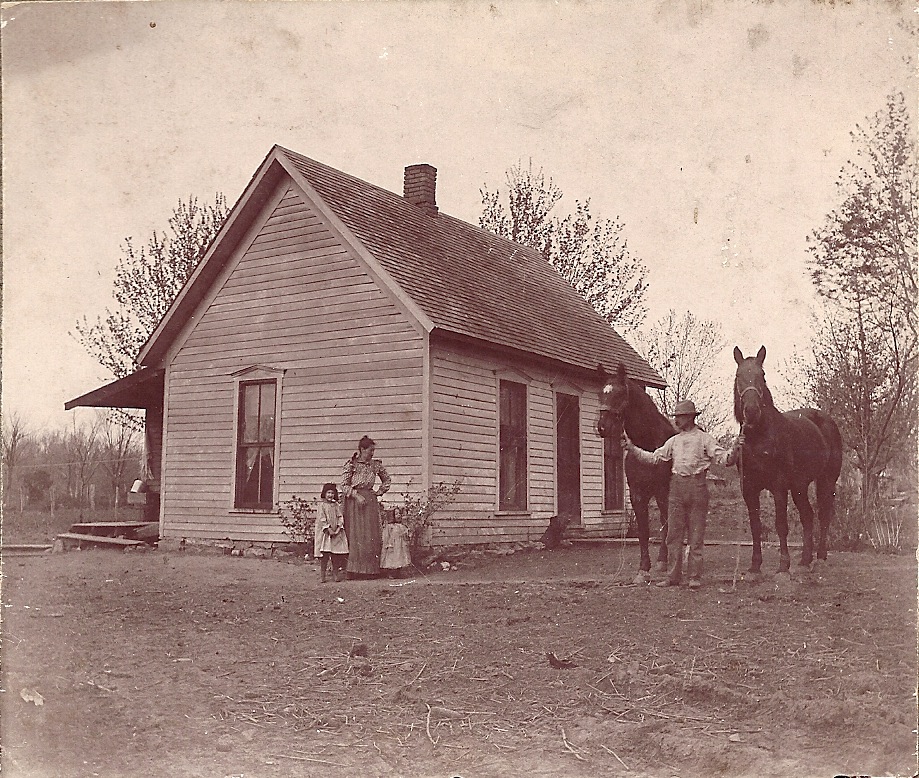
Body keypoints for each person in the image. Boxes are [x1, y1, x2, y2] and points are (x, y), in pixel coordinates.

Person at [622, 400, 743, 590]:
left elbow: (724, 459)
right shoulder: (674, 441)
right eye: (676, 416)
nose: (676, 420)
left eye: (680, 417)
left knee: (696, 534)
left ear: (690, 418)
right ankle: (673, 576)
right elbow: (654, 458)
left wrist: (736, 448)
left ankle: (694, 576)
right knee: (673, 535)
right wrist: (632, 449)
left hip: (697, 486)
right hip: (677, 488)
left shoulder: (705, 439)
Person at [340, 436, 391, 577]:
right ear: (362, 449)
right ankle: (353, 570)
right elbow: (343, 485)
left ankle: (371, 570)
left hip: (370, 501)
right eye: (370, 450)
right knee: (355, 535)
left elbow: (387, 479)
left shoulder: (376, 465)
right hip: (354, 503)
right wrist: (356, 495)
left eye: (373, 450)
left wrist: (379, 492)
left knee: (370, 535)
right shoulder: (351, 464)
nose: (372, 453)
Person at [315, 482, 348, 583]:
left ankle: (335, 573)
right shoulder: (322, 505)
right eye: (328, 493)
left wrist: (338, 528)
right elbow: (322, 518)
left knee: (335, 554)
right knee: (325, 554)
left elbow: (340, 516)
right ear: (324, 493)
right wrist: (328, 529)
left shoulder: (335, 505)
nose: (330, 495)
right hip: (326, 533)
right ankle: (323, 575)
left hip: (336, 532)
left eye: (332, 493)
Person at [380, 512, 411, 578]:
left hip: (400, 545)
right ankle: (391, 573)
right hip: (392, 545)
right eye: (396, 514)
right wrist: (387, 544)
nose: (399, 515)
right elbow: (385, 536)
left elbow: (406, 535)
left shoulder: (402, 526)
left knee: (400, 558)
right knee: (392, 558)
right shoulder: (389, 526)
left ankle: (399, 572)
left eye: (399, 513)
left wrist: (407, 534)